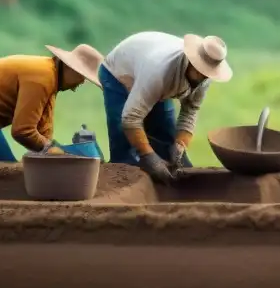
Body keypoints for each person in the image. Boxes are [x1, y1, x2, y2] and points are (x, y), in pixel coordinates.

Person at [99, 31, 232, 184]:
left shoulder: (205, 79)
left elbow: (191, 110)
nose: (203, 75)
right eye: (200, 70)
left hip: (155, 80)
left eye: (206, 73)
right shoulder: (159, 72)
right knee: (125, 152)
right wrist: (149, 157)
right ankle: (125, 192)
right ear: (190, 61)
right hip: (119, 73)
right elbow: (130, 119)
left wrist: (181, 144)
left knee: (168, 146)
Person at [0, 44, 104, 163]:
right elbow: (23, 131)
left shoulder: (50, 77)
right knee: (4, 174)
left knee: (7, 173)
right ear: (72, 69)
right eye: (82, 77)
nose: (82, 82)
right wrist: (52, 150)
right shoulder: (42, 79)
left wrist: (54, 150)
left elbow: (42, 128)